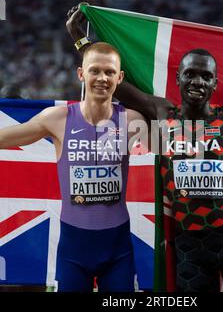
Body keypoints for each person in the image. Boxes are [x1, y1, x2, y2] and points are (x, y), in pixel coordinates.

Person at [66, 4, 223, 292]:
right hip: (189, 243)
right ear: (178, 78)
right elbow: (113, 82)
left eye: (205, 77)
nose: (197, 82)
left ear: (215, 83)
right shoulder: (162, 112)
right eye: (190, 74)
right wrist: (80, 38)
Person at [0, 42, 147, 292]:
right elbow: (6, 138)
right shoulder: (57, 119)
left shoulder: (131, 120)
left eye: (110, 72)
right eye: (95, 70)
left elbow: (172, 144)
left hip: (118, 249)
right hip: (73, 251)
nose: (102, 78)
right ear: (81, 73)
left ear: (119, 77)